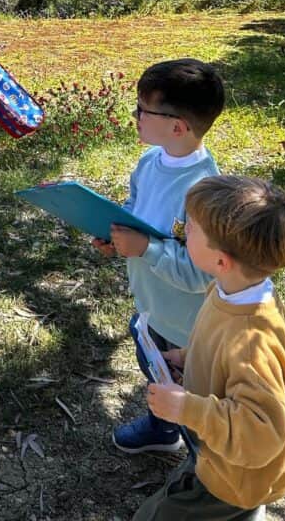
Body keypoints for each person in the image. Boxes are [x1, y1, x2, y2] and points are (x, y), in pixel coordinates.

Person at [134, 175, 285, 520]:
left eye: (192, 227)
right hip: (220, 457)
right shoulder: (230, 289)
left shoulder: (252, 340)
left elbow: (261, 435)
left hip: (233, 482)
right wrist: (186, 358)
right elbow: (216, 341)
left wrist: (187, 409)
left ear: (222, 261)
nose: (183, 228)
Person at [92, 58, 225, 453]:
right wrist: (115, 235)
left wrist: (145, 248)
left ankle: (204, 470)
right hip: (151, 308)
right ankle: (163, 428)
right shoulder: (150, 161)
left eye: (142, 110)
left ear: (177, 127)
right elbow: (133, 208)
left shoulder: (205, 192)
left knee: (191, 403)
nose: (135, 116)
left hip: (187, 330)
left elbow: (202, 275)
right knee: (153, 368)